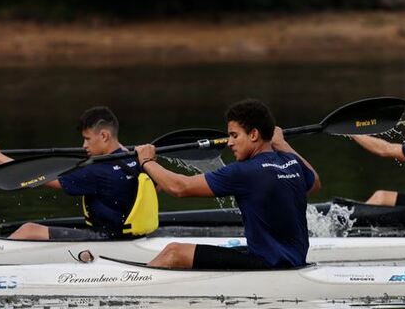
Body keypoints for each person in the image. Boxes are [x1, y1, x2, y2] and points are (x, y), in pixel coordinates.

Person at [134, 99, 320, 269]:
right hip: (294, 260)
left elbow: (179, 187)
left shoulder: (244, 171)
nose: (229, 143)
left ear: (254, 134)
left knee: (174, 252)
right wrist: (281, 144)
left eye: (234, 135)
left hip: (265, 264)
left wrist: (147, 161)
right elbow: (314, 183)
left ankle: (132, 286)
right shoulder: (292, 162)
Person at [0, 106, 157, 240]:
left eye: (87, 139)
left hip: (106, 240)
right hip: (131, 233)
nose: (84, 146)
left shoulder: (96, 172)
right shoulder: (139, 159)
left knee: (29, 230)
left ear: (104, 136)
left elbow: (38, 178)